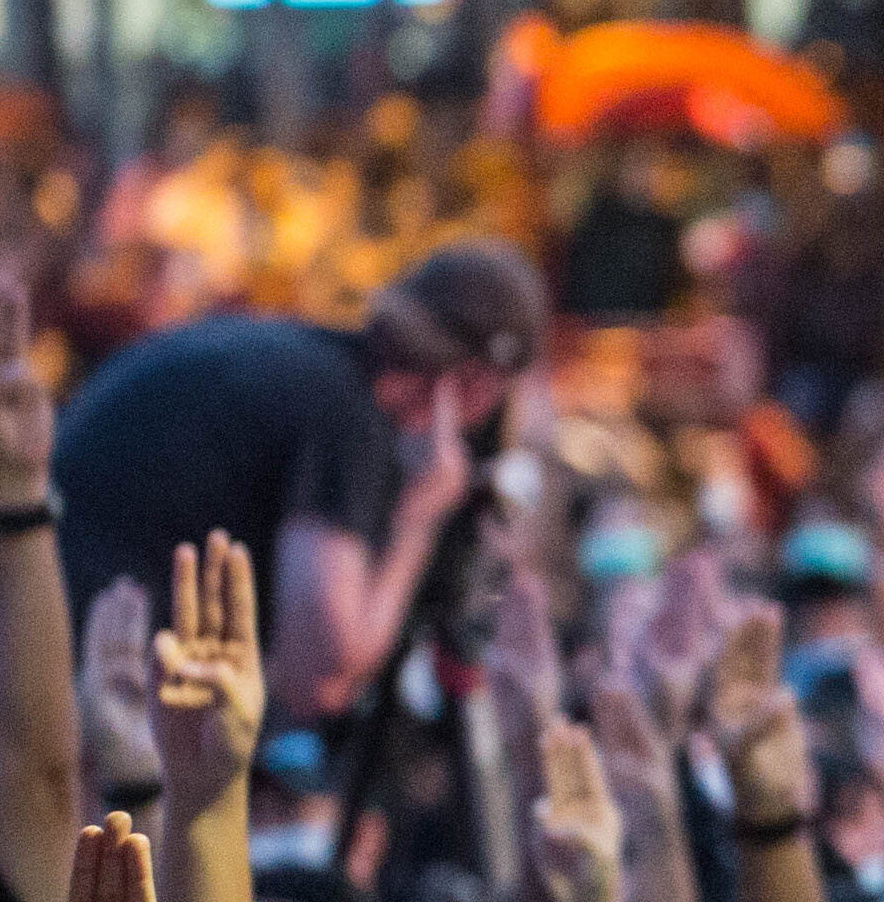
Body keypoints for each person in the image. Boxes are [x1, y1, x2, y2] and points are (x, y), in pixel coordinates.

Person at [39, 235, 541, 721]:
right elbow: (319, 679)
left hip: (14, 659)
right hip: (65, 707)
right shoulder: (346, 415)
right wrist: (420, 517)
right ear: (469, 385)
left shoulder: (296, 362)